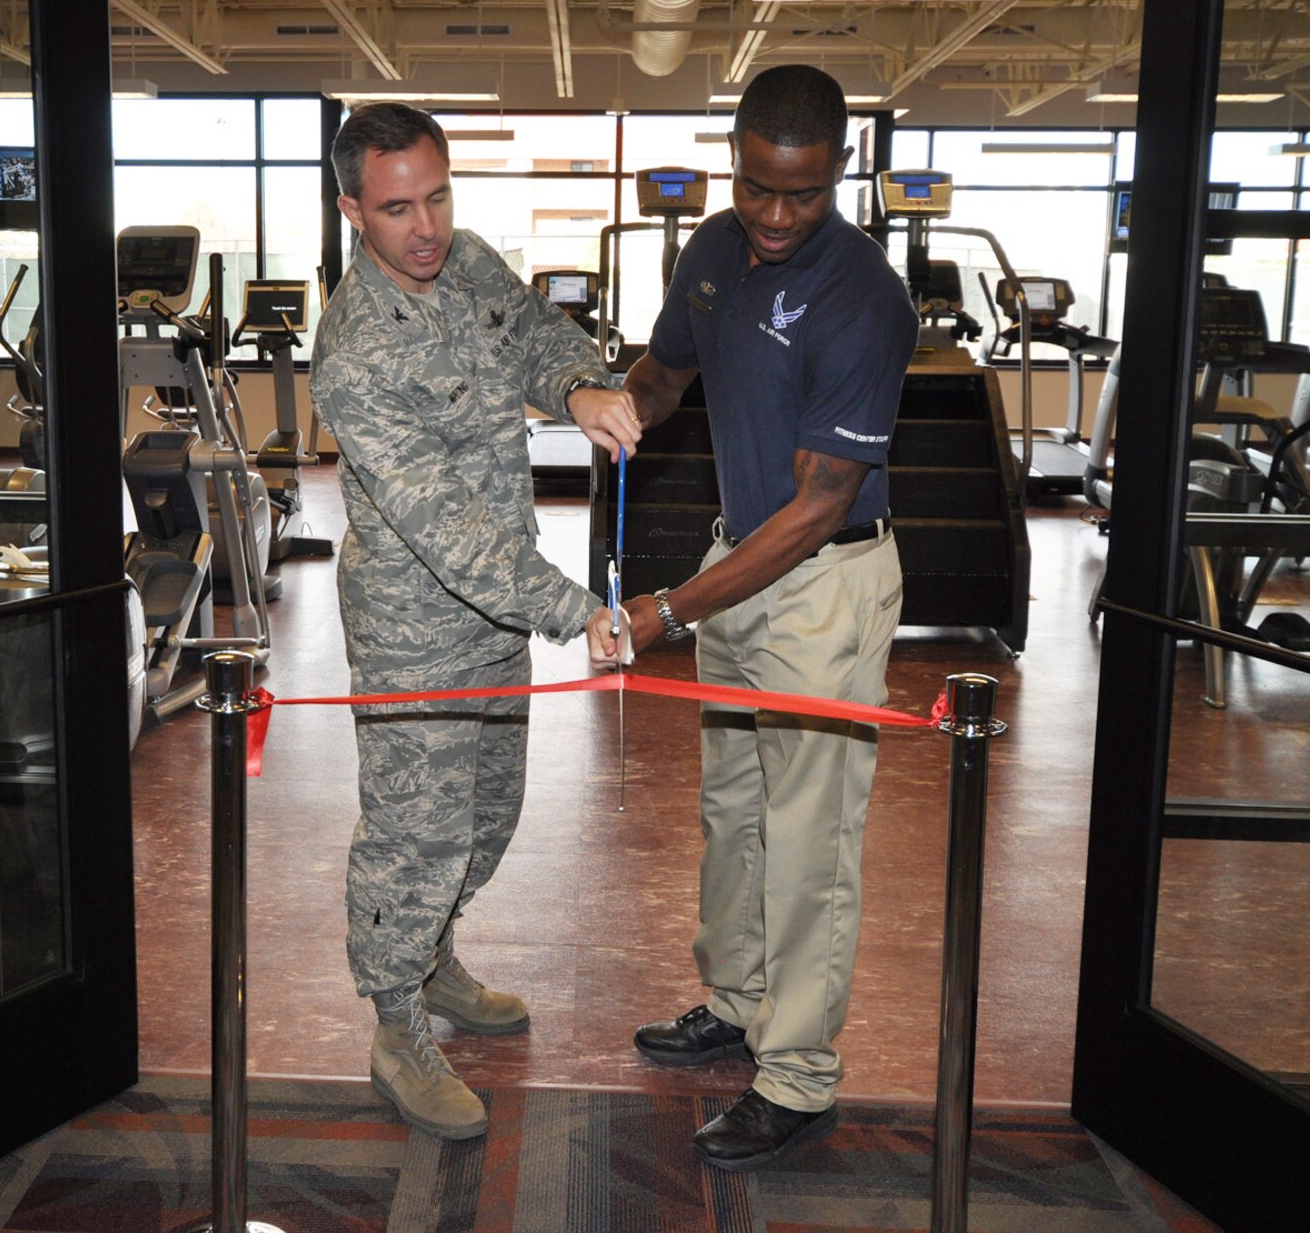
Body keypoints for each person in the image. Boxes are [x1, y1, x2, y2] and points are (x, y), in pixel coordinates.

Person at [591, 64, 917, 1170]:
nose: (777, 218)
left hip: (820, 577)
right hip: (739, 555)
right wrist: (612, 402)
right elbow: (667, 369)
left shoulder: (865, 297)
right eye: (759, 189)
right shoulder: (713, 253)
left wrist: (667, 611)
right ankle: (735, 1004)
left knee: (808, 841)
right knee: (732, 811)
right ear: (734, 160)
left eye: (804, 195)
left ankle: (797, 1074)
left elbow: (820, 506)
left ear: (837, 173)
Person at [311, 103, 641, 1141]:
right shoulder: (354, 351)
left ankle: (435, 957)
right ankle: (394, 1025)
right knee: (414, 837)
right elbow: (443, 529)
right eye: (398, 207)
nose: (426, 226)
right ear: (351, 210)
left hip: (492, 614)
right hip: (416, 623)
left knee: (485, 819)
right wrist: (572, 608)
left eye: (439, 195)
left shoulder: (465, 263)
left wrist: (578, 384)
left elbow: (533, 329)